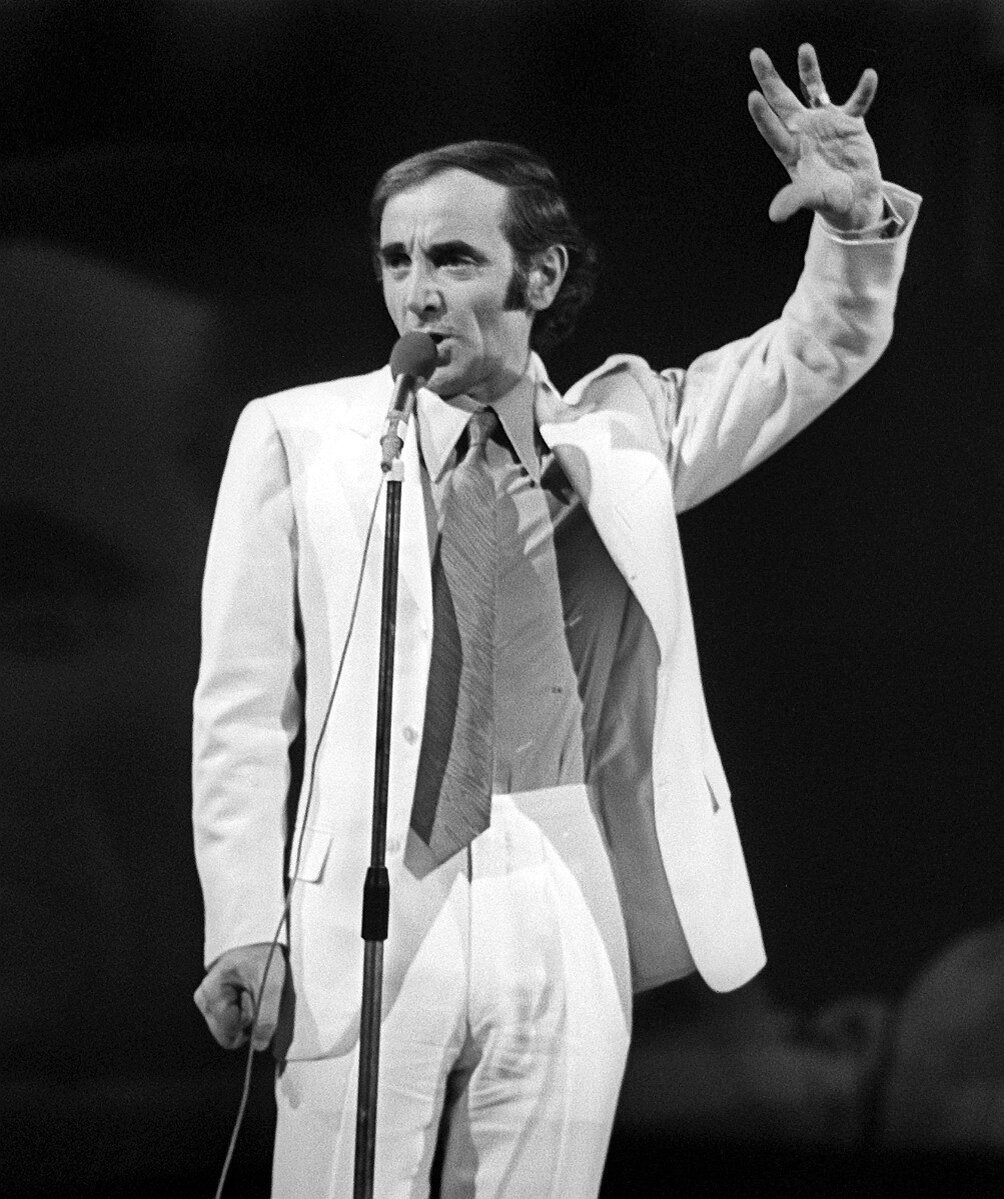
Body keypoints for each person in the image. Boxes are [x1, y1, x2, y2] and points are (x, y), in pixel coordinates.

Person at [193, 43, 920, 1197]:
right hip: (372, 890)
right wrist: (243, 918)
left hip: (565, 877)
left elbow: (809, 353)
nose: (416, 290)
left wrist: (850, 224)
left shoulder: (623, 436)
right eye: (395, 259)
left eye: (451, 257)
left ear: (538, 274)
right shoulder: (300, 436)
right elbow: (239, 708)